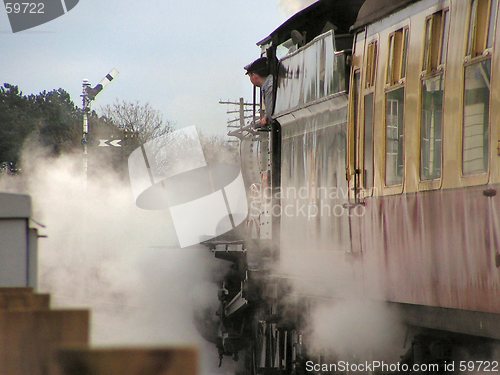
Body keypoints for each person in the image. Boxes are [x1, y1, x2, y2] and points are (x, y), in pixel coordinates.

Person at [244, 57, 274, 129]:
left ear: (254, 76)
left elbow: (271, 114)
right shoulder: (271, 84)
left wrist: (265, 119)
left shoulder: (270, 88)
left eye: (250, 76)